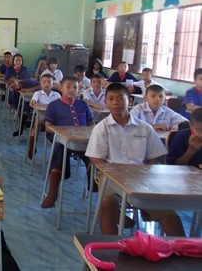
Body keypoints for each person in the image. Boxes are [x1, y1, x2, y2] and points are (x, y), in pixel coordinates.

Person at [85, 83, 186, 236]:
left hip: (142, 177)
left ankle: (181, 252)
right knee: (107, 204)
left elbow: (154, 157)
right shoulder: (101, 128)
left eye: (120, 98)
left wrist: (146, 175)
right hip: (110, 175)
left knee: (168, 213)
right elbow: (96, 159)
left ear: (129, 101)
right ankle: (111, 249)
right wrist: (118, 175)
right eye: (111, 99)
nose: (116, 102)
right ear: (106, 102)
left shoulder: (144, 128)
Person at [42, 76, 95, 209]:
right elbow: (48, 126)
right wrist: (62, 132)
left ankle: (95, 188)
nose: (72, 90)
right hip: (61, 139)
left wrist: (89, 132)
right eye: (68, 87)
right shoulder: (53, 105)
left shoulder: (83, 105)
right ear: (61, 88)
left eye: (75, 87)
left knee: (96, 155)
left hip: (83, 140)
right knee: (60, 150)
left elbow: (91, 123)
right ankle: (53, 193)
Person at [27, 73, 60, 158]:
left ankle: (59, 150)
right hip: (42, 120)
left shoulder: (56, 95)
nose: (46, 84)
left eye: (49, 82)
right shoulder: (37, 94)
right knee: (36, 126)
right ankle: (32, 147)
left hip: (54, 122)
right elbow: (33, 102)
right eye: (44, 82)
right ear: (41, 84)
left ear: (53, 84)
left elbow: (62, 105)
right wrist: (33, 102)